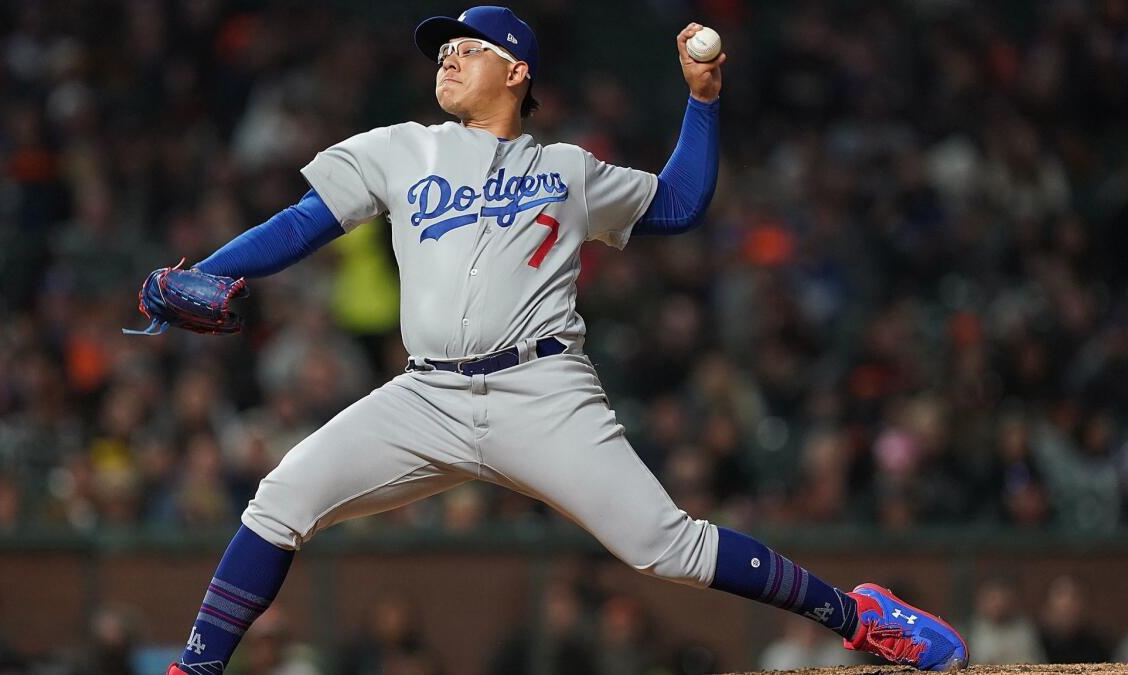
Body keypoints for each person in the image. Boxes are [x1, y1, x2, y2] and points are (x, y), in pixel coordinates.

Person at [148, 7, 967, 674]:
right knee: (279, 500)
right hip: (425, 394)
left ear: (517, 71)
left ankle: (859, 617)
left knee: (666, 545)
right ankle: (196, 669)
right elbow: (301, 224)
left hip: (542, 392)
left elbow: (679, 204)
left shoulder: (571, 170)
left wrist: (703, 98)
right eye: (442, 51)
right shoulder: (399, 149)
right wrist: (211, 272)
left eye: (469, 48)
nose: (448, 59)